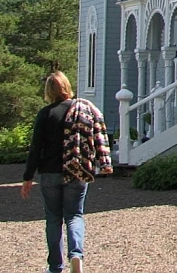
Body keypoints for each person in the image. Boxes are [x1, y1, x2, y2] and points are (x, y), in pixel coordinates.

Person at [21, 71, 112, 273]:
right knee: (74, 216)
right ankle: (76, 255)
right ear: (66, 87)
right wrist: (102, 161)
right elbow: (97, 133)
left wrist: (28, 177)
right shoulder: (83, 110)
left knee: (53, 218)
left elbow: (36, 147)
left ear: (49, 91)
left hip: (50, 172)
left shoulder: (45, 114)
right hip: (77, 170)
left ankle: (55, 266)